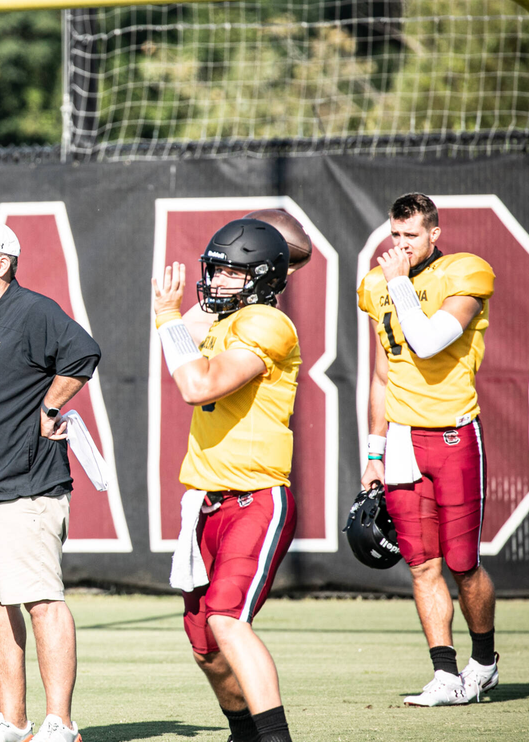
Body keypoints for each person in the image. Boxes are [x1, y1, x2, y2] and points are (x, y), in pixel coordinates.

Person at [0, 219, 101, 742]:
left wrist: (51, 406)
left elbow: (83, 353)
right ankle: (13, 722)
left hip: (24, 487)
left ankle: (61, 723)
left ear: (2, 262)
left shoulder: (33, 310)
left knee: (42, 602)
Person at [152, 218, 300, 742]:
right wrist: (256, 262)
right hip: (206, 503)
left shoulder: (268, 324)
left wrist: (168, 315)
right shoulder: (226, 318)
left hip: (255, 499)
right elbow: (183, 328)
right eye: (214, 270)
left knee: (226, 618)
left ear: (262, 280)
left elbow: (199, 384)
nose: (217, 282)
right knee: (205, 645)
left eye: (231, 273)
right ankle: (244, 734)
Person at [357, 193, 499, 706]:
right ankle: (444, 673)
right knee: (421, 564)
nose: (400, 245)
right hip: (401, 438)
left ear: (434, 233)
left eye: (411, 235)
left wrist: (399, 283)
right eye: (394, 235)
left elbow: (428, 341)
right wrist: (374, 452)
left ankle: (483, 662)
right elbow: (381, 374)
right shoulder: (376, 284)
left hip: (453, 433)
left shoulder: (465, 272)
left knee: (462, 564)